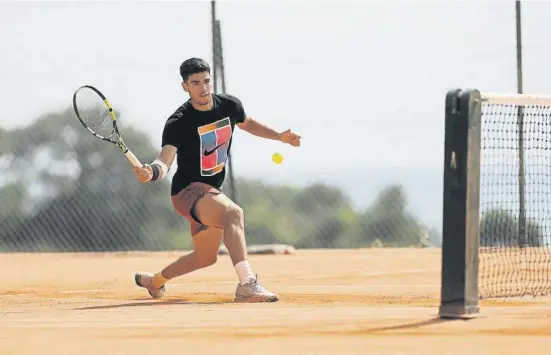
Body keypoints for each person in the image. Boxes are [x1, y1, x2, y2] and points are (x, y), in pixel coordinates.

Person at [132, 58, 301, 303]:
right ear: (185, 87)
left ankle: (154, 282)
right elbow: (165, 160)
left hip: (210, 190)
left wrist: (280, 137)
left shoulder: (229, 106)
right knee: (233, 213)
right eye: (196, 83)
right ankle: (247, 283)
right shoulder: (178, 121)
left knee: (205, 257)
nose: (203, 88)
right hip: (187, 192)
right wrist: (152, 171)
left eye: (207, 81)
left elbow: (248, 123)